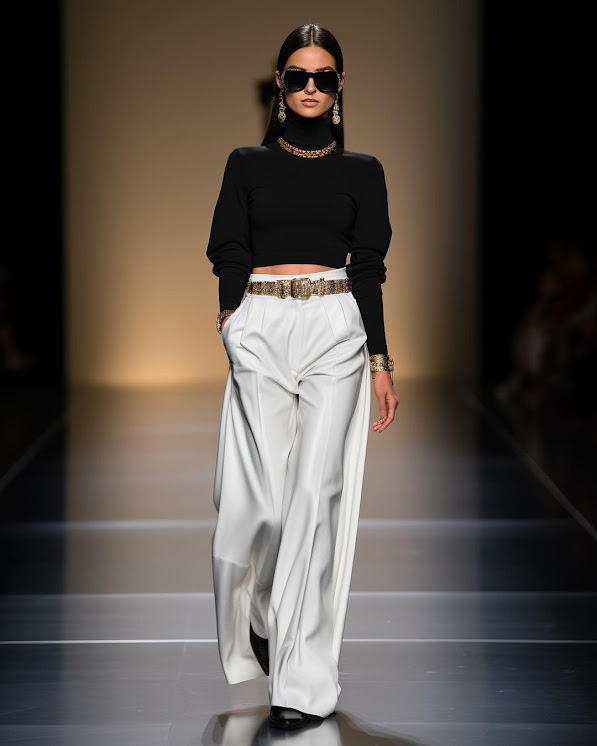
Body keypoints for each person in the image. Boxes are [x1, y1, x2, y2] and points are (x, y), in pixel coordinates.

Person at [206, 23, 399, 731]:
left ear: (339, 86)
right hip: (259, 322)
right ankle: (262, 612)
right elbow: (228, 245)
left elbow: (369, 267)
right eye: (297, 76)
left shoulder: (364, 172)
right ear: (280, 85)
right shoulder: (246, 163)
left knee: (315, 500)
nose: (309, 87)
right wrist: (232, 319)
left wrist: (379, 360)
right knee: (257, 507)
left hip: (335, 327)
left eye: (322, 76)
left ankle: (301, 683)